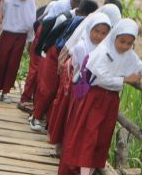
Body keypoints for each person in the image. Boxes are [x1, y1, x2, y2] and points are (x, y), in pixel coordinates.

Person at [58, 18, 142, 175]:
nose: (125, 46)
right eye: (122, 41)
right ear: (114, 37)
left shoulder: (129, 54)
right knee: (90, 136)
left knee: (102, 138)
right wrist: (124, 79)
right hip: (95, 98)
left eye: (129, 43)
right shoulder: (103, 51)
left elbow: (141, 66)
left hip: (111, 100)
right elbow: (101, 78)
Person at [29, 0, 97, 131]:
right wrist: (43, 52)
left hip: (64, 59)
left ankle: (48, 121)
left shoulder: (87, 25)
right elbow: (52, 36)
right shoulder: (71, 20)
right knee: (48, 88)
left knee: (57, 91)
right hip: (54, 54)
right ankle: (35, 117)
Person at [46, 12, 112, 148]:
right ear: (89, 30)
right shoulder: (81, 47)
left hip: (91, 91)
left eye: (104, 33)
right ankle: (65, 147)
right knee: (72, 119)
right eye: (96, 31)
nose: (99, 36)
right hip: (79, 89)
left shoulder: (106, 49)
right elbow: (86, 70)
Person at [20, 0, 86, 113]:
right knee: (36, 68)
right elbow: (46, 24)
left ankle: (38, 104)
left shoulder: (81, 12)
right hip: (45, 34)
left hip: (57, 41)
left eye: (80, 2)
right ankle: (25, 99)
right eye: (75, 0)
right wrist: (42, 47)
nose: (76, 4)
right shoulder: (61, 5)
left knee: (46, 75)